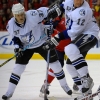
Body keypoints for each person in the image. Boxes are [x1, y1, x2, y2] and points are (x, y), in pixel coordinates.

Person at [2, 3, 73, 100]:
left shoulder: (33, 15)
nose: (21, 16)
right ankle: (9, 92)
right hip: (26, 46)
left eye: (22, 14)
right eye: (18, 15)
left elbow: (48, 13)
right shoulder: (11, 25)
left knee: (56, 65)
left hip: (42, 42)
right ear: (14, 15)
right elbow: (15, 38)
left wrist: (49, 24)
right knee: (17, 69)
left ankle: (64, 85)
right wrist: (17, 47)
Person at [43, 0, 100, 99]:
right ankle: (85, 91)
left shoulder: (84, 11)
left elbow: (72, 32)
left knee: (69, 48)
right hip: (79, 37)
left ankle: (87, 79)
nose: (78, 1)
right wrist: (58, 9)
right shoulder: (69, 2)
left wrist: (55, 39)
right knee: (70, 66)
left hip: (90, 34)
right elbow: (62, 6)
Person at [39, 14, 72, 96]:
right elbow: (44, 26)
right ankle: (46, 85)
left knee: (75, 63)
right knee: (58, 65)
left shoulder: (72, 17)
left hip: (71, 46)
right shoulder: (55, 19)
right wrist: (49, 25)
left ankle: (78, 84)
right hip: (58, 47)